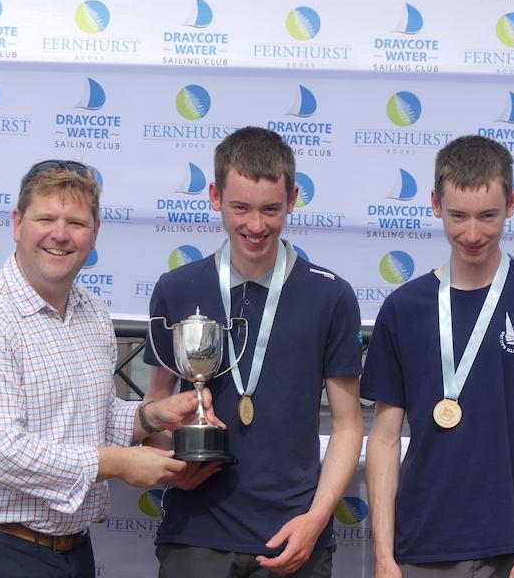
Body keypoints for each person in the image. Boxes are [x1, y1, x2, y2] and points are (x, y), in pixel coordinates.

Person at [0, 160, 219, 578]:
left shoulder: (93, 313)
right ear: (17, 224)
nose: (60, 234)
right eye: (46, 218)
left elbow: (83, 417)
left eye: (76, 222)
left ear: (94, 233)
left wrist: (149, 415)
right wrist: (119, 463)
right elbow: (2, 453)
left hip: (71, 554)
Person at [362, 135, 514, 578]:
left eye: (488, 216)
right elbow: (385, 439)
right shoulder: (403, 309)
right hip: (420, 542)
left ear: (511, 203)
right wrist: (383, 552)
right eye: (458, 216)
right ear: (434, 204)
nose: (472, 234)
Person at [144, 126, 364, 577]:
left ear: (294, 198)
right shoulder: (177, 289)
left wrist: (316, 519)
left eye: (271, 209)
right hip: (195, 535)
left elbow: (347, 425)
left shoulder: (331, 296)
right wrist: (171, 457)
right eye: (240, 208)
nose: (256, 226)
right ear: (214, 196)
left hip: (294, 536)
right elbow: (154, 408)